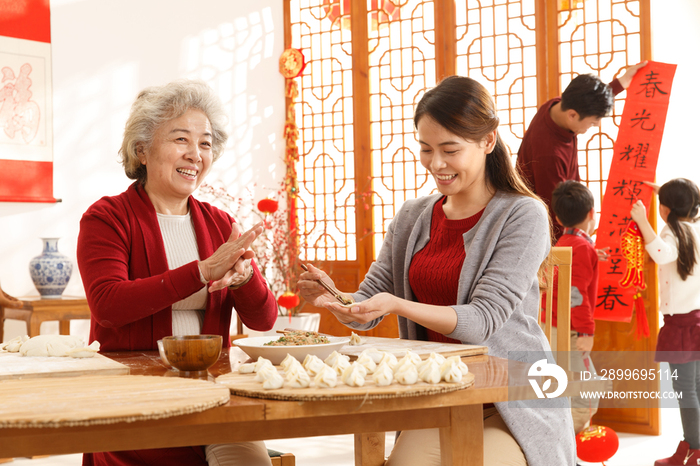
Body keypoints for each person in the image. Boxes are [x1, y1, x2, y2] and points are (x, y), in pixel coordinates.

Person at [298, 75, 575, 465]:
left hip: (514, 402)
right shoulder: (413, 216)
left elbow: (481, 321)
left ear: (488, 141)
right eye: (426, 149)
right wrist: (340, 302)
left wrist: (397, 305)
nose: (437, 164)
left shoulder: (522, 214)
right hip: (440, 396)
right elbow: (369, 304)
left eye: (450, 149)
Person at [77, 80, 278, 466]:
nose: (195, 154)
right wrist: (202, 271)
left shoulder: (220, 224)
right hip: (135, 399)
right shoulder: (107, 218)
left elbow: (264, 320)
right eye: (180, 139)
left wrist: (245, 279)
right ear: (142, 150)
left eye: (205, 143)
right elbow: (108, 305)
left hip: (215, 397)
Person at [516, 62, 647, 239]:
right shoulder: (549, 155)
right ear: (572, 115)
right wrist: (580, 243)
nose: (596, 125)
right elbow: (557, 216)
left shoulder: (556, 106)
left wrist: (622, 81)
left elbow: (587, 100)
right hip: (543, 229)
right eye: (593, 122)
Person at [630, 178, 700, 466]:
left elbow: (662, 253)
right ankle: (691, 445)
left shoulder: (673, 231)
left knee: (686, 391)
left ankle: (694, 448)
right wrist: (665, 196)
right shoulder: (692, 228)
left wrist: (642, 220)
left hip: (681, 325)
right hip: (696, 320)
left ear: (666, 209)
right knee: (694, 387)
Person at [543, 180, 600, 433]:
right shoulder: (583, 248)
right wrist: (587, 333)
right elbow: (576, 295)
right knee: (587, 397)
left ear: (557, 216)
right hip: (571, 331)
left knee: (564, 393)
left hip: (550, 328)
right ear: (592, 213)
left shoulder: (561, 245)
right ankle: (564, 452)